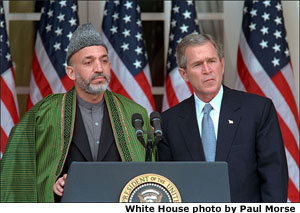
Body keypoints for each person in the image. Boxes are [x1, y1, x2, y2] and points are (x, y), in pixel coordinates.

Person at [0, 23, 153, 202]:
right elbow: (18, 172)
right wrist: (52, 184)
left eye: (104, 61)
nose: (99, 68)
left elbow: (150, 173)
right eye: (89, 62)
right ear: (71, 72)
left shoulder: (133, 113)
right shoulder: (44, 114)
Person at [158, 33, 288, 202]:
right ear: (184, 74)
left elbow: (274, 175)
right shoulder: (169, 122)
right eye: (197, 64)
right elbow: (168, 183)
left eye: (212, 61)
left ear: (222, 64)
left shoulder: (257, 109)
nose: (207, 70)